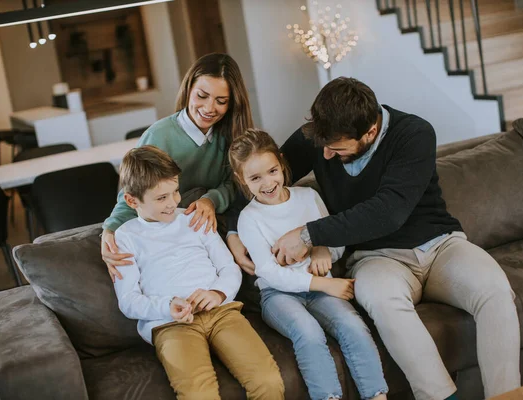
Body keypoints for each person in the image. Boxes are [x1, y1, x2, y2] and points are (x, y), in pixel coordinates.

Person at [226, 78, 520, 400]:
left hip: (440, 246)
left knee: (495, 292)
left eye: (336, 149)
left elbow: (389, 211)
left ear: (368, 133)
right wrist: (230, 229)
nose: (324, 154)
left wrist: (310, 234)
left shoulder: (414, 134)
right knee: (383, 302)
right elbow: (261, 176)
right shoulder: (319, 136)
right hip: (376, 258)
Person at [112, 145, 284, 399]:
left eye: (175, 192)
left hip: (221, 312)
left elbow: (229, 268)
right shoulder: (125, 237)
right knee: (198, 395)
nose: (173, 203)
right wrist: (167, 305)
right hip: (171, 324)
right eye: (161, 198)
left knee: (268, 381)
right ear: (132, 200)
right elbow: (128, 301)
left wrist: (217, 292)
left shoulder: (194, 218)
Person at [230, 129, 388, 400]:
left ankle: (377, 396)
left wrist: (322, 249)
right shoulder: (249, 218)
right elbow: (269, 272)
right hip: (278, 296)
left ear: (281, 163)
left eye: (272, 171)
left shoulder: (308, 197)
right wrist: (324, 283)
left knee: (353, 325)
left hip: (321, 290)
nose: (267, 183)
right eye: (255, 178)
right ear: (241, 180)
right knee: (309, 333)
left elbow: (335, 239)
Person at [102, 53, 253, 281]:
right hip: (172, 235)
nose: (209, 108)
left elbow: (234, 184)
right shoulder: (159, 135)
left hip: (212, 231)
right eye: (202, 96)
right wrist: (110, 230)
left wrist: (210, 200)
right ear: (189, 88)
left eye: (221, 101)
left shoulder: (229, 135)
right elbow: (132, 193)